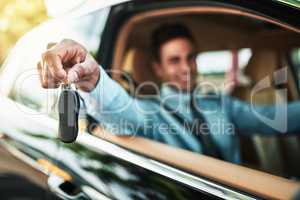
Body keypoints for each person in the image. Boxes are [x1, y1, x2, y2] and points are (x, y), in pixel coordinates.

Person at [38, 23, 300, 164]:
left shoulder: (220, 103)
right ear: (158, 68)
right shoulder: (150, 108)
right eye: (175, 60)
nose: (187, 68)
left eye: (191, 57)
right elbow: (125, 115)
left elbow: (279, 119)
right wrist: (94, 79)